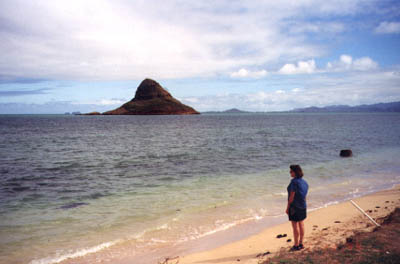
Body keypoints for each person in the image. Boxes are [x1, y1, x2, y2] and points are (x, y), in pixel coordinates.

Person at [286, 164, 308, 251]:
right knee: (301, 224)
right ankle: (301, 243)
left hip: (294, 207)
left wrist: (288, 208)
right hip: (303, 205)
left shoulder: (294, 182)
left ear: (295, 172)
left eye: (291, 171)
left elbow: (291, 196)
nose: (290, 173)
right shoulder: (305, 182)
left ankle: (296, 245)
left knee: (295, 226)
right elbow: (305, 195)